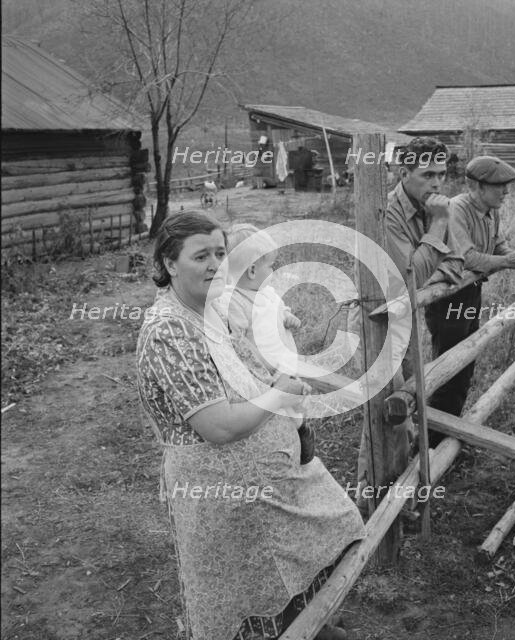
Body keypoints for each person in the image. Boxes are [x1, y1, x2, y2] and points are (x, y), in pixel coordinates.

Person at [136, 211, 364, 640]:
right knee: (237, 587)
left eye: (221, 253)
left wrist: (280, 385)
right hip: (218, 489)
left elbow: (251, 370)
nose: (214, 265)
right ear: (169, 264)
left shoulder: (213, 309)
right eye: (200, 256)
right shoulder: (170, 329)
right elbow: (219, 427)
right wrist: (279, 392)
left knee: (316, 541)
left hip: (263, 472)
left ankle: (308, 627)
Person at [355, 137, 465, 513]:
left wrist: (434, 268)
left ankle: (391, 497)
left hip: (406, 317)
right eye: (427, 175)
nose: (437, 184)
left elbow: (457, 263)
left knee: (403, 406)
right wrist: (437, 226)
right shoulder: (386, 212)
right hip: (378, 321)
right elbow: (409, 276)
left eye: (442, 174)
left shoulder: (433, 207)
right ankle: (376, 502)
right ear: (404, 173)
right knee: (386, 410)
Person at [425, 155, 515, 419]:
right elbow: (467, 257)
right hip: (448, 297)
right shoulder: (456, 209)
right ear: (477, 187)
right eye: (499, 186)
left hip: (471, 293)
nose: (506, 192)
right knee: (448, 366)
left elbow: (497, 244)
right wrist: (506, 261)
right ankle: (433, 438)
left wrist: (511, 254)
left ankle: (449, 430)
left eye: (506, 186)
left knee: (466, 362)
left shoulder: (490, 211)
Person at [223, 222, 314, 464]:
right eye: (270, 266)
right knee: (277, 409)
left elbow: (277, 308)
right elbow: (236, 339)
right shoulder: (236, 301)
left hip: (282, 364)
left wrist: (286, 316)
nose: (273, 272)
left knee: (294, 401)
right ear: (252, 270)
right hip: (263, 374)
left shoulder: (266, 291)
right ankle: (292, 440)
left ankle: (299, 431)